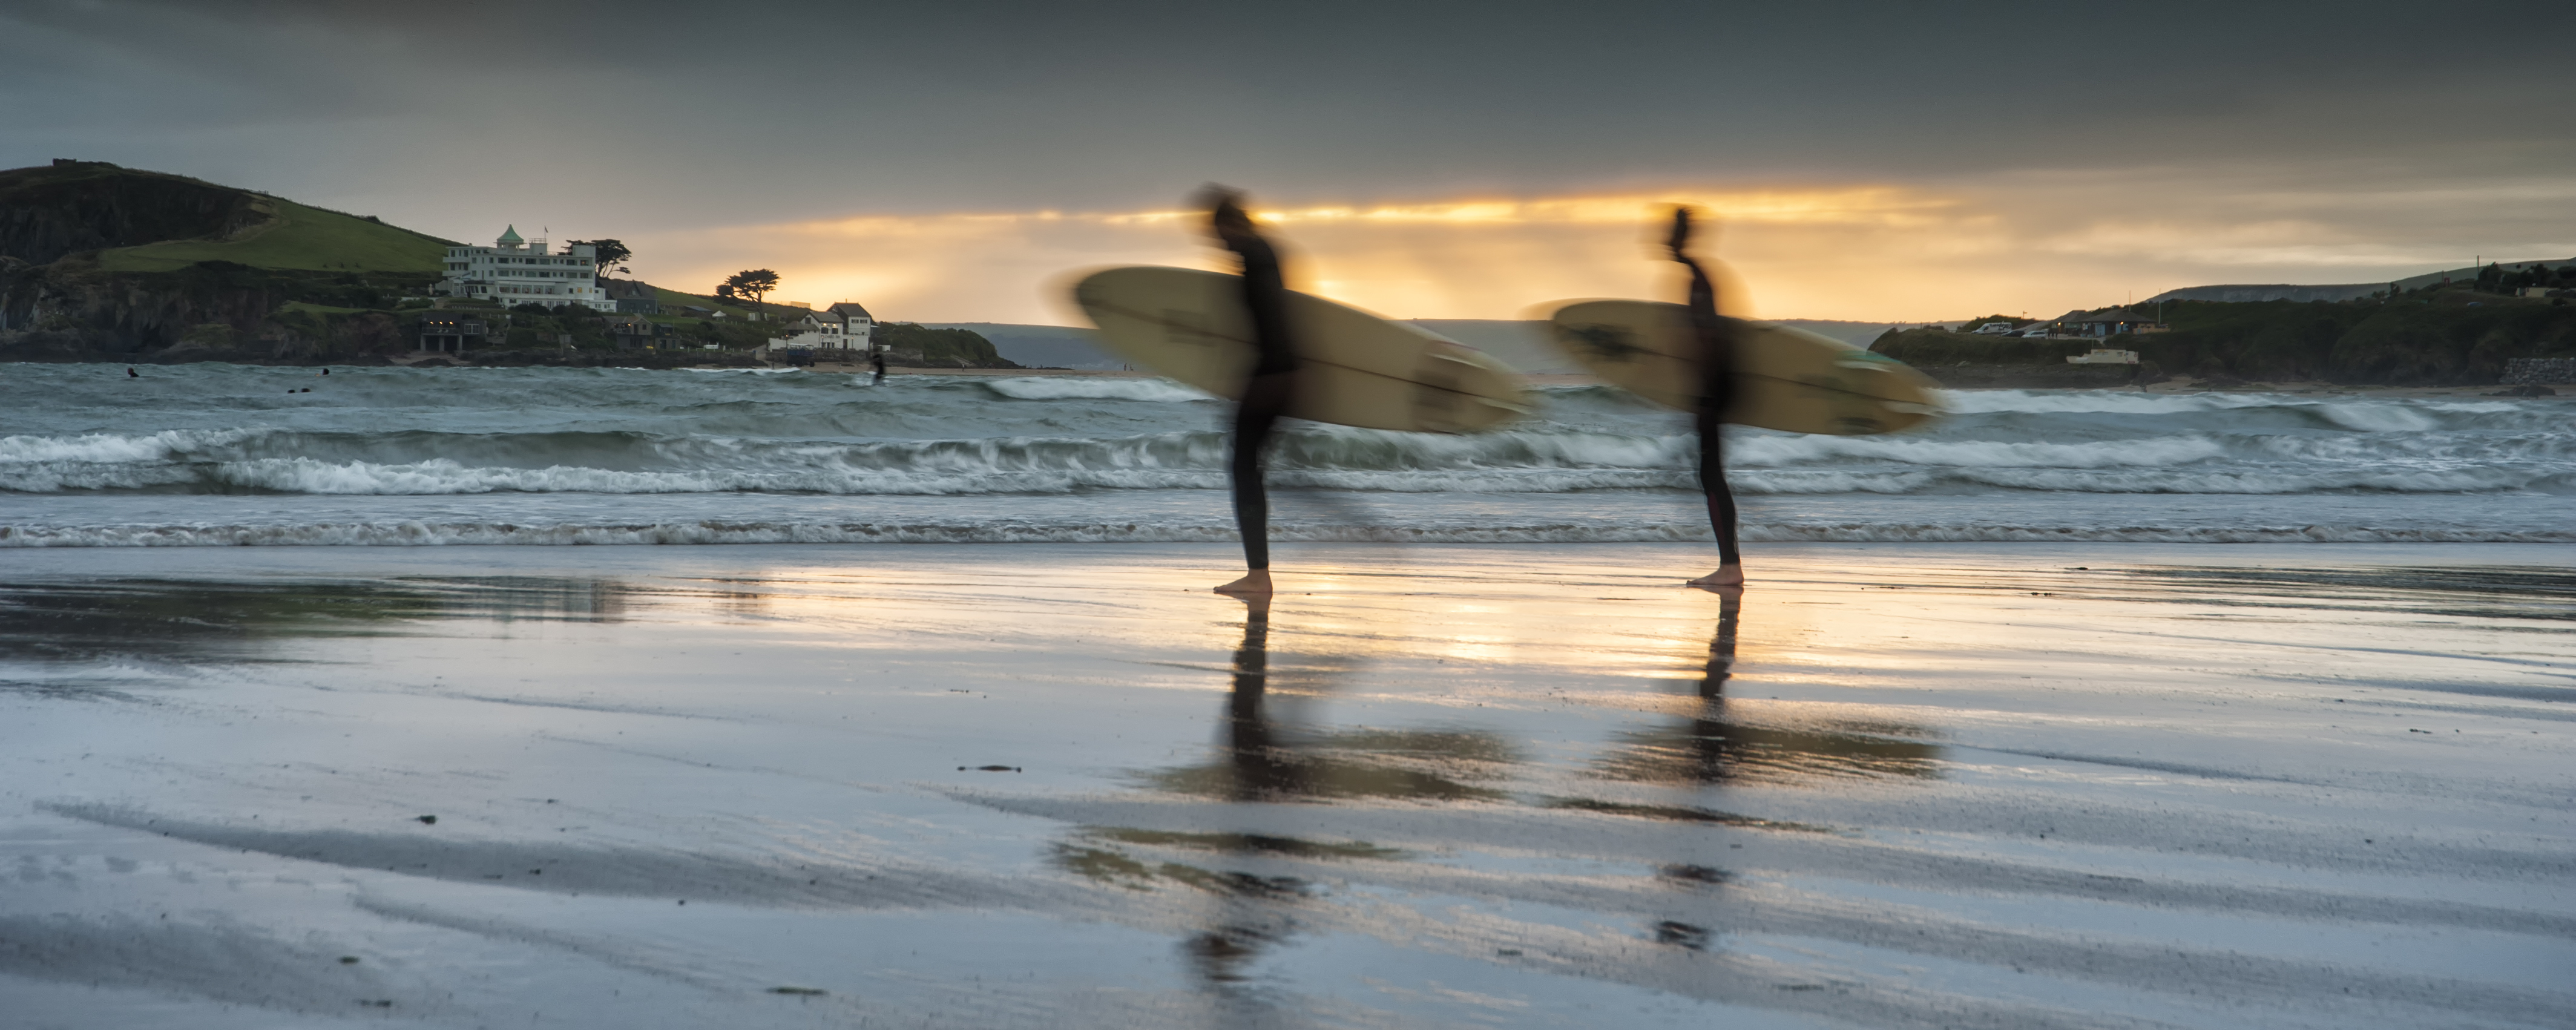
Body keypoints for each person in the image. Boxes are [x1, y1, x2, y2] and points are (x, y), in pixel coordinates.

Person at [1201, 186, 1298, 597]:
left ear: (1230, 224)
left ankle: (1259, 576)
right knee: (1249, 469)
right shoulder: (1265, 253)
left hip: (1272, 374)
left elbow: (1273, 325)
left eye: (1218, 232)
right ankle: (1258, 573)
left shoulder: (1255, 256)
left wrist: (1265, 382)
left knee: (1245, 470)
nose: (1217, 242)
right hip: (1277, 372)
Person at [1669, 208, 1744, 587]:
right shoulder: (1698, 277)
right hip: (1717, 386)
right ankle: (1730, 565)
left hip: (1714, 388)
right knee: (1711, 475)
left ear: (1684, 237)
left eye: (1672, 232)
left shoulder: (1698, 280)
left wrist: (1704, 398)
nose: (1664, 241)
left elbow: (1710, 340)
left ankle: (1730, 568)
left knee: (1711, 475)